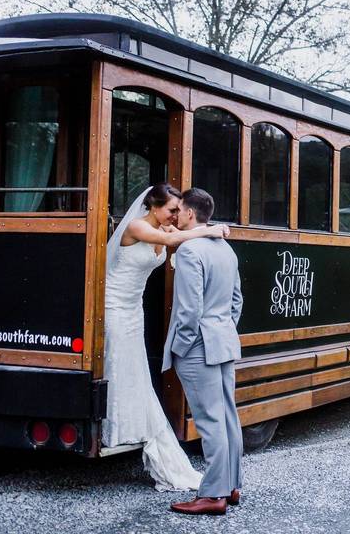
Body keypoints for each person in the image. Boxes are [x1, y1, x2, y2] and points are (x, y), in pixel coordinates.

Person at [102, 182, 230, 491]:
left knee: (137, 371)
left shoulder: (164, 228)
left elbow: (175, 237)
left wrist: (202, 232)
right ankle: (115, 427)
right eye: (171, 209)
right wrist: (210, 230)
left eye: (177, 210)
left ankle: (131, 427)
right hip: (114, 305)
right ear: (153, 206)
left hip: (134, 309)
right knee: (119, 366)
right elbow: (175, 238)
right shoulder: (137, 226)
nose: (175, 215)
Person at [162, 188, 244, 516]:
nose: (177, 216)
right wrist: (222, 328)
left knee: (210, 421)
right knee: (227, 416)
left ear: (191, 214)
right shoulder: (226, 249)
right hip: (222, 340)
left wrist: (180, 347)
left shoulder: (188, 251)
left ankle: (213, 495)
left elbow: (188, 308)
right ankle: (231, 486)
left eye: (179, 210)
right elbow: (236, 300)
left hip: (198, 347)